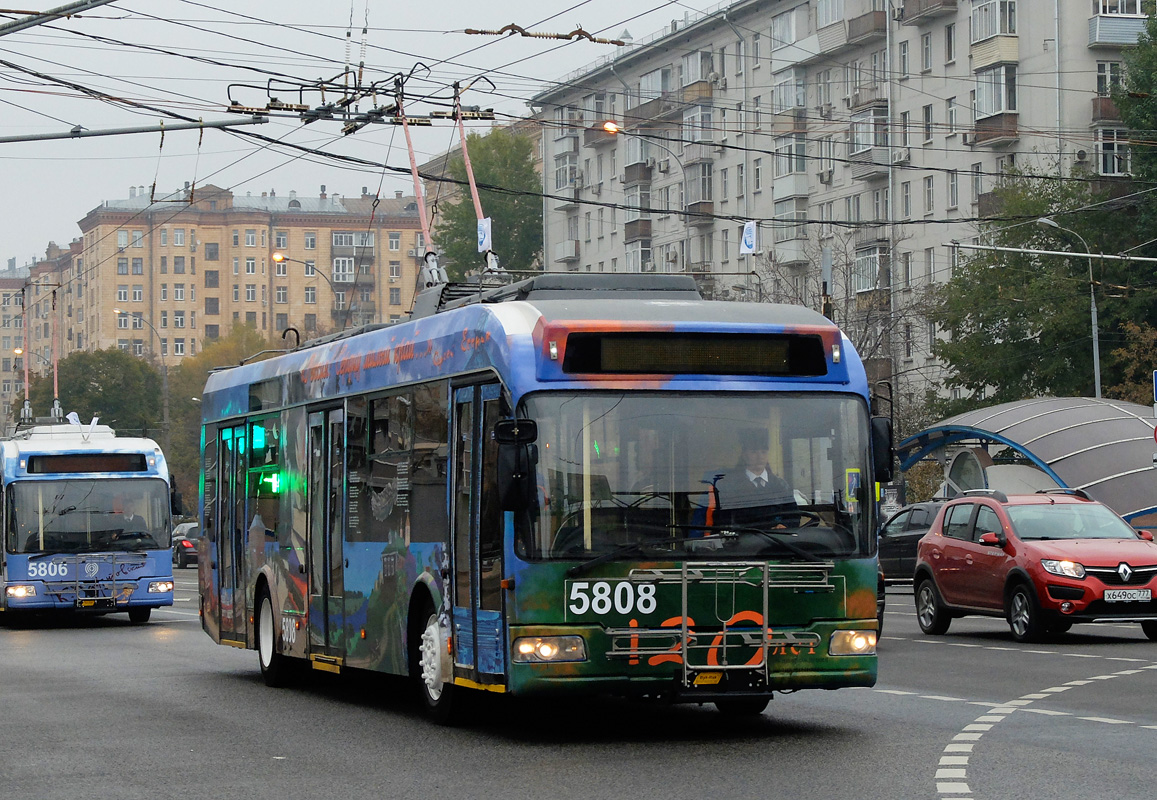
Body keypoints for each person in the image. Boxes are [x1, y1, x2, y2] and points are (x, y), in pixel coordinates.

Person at [708, 428, 797, 527]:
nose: (760, 456)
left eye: (763, 452)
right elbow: (722, 520)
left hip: (777, 540)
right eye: (754, 452)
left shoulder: (781, 485)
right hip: (744, 540)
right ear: (744, 454)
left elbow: (793, 516)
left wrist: (784, 525)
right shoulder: (728, 486)